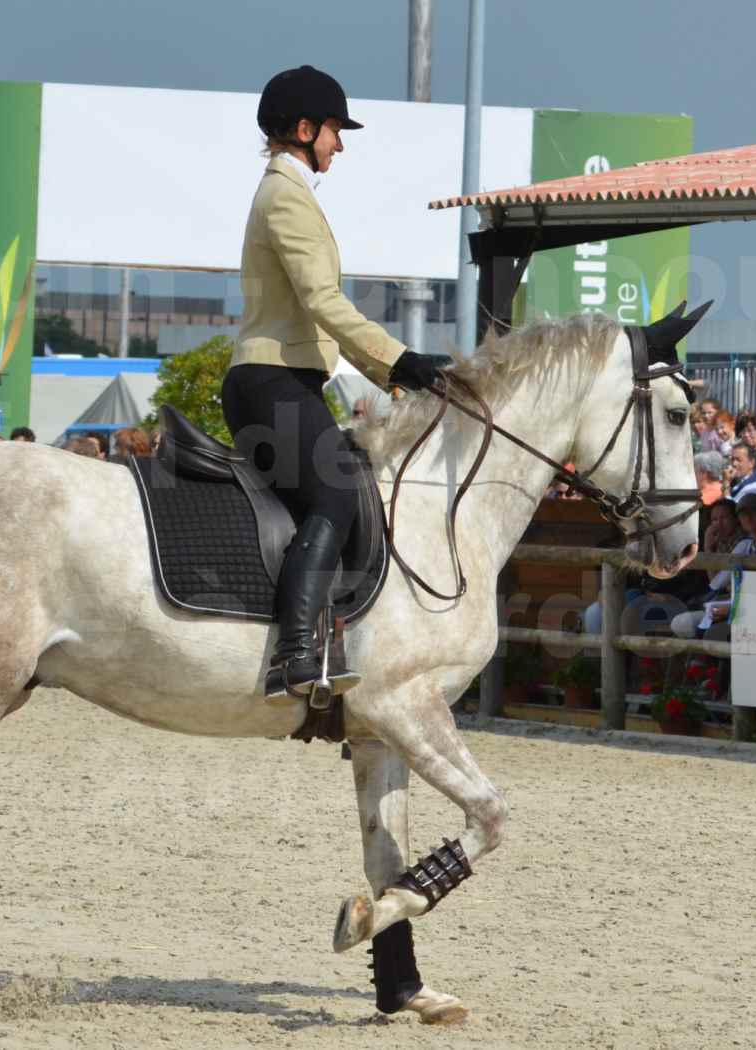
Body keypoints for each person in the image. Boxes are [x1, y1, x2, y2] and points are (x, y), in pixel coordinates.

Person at [223, 64, 447, 699]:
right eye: (333, 131)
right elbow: (322, 298)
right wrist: (400, 360)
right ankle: (292, 654)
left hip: (287, 379)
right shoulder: (285, 196)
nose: (339, 144)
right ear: (302, 129)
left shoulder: (290, 192)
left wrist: (390, 371)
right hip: (272, 379)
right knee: (336, 494)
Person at [671, 493, 756, 639]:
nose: (748, 518)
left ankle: (704, 659)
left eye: (754, 512)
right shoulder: (747, 543)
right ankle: (700, 658)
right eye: (744, 514)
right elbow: (717, 583)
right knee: (680, 622)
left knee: (709, 632)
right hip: (742, 605)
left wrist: (733, 601)